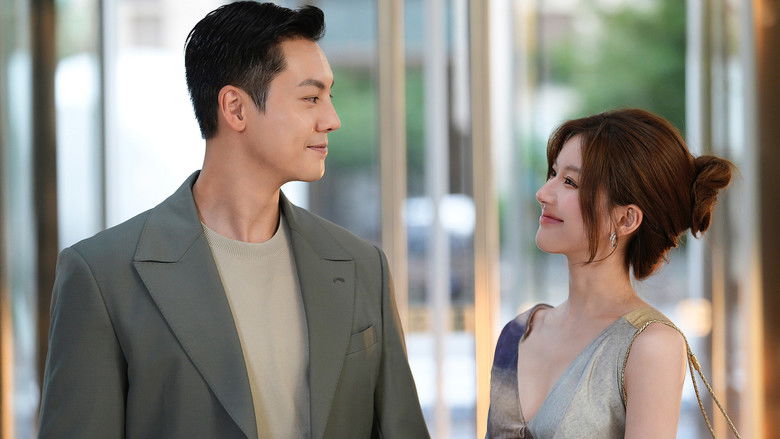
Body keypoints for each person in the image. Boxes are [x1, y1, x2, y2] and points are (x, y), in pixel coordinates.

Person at [38, 2, 429, 438]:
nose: (332, 120)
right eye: (311, 98)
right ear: (236, 108)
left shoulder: (361, 266)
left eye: (329, 97)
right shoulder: (103, 277)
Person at [486, 109, 740, 438]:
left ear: (626, 219)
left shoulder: (650, 344)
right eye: (553, 173)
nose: (543, 193)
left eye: (570, 182)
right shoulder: (518, 333)